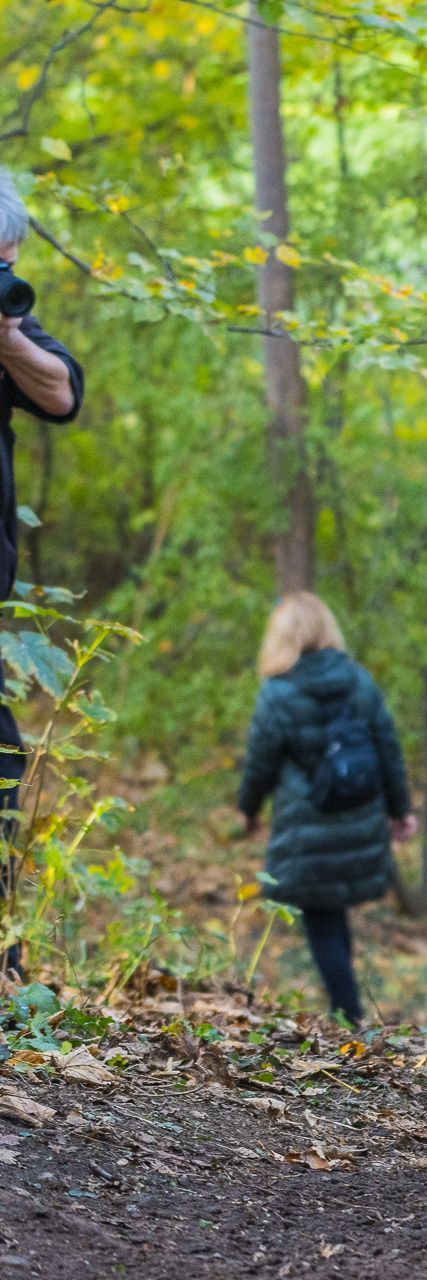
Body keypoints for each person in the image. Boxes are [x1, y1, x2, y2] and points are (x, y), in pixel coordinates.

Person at [237, 593, 415, 1024]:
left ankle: (347, 1017)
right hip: (360, 814)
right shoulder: (358, 679)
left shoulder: (278, 691)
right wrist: (401, 810)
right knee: (332, 914)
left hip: (308, 822)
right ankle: (347, 1011)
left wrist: (248, 809)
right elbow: (387, 747)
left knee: (322, 919)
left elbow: (260, 761)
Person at [0, 170, 84, 978]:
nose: (6, 272)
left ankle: (5, 966)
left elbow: (62, 393)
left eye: (9, 261)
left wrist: (7, 337)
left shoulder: (11, 327)